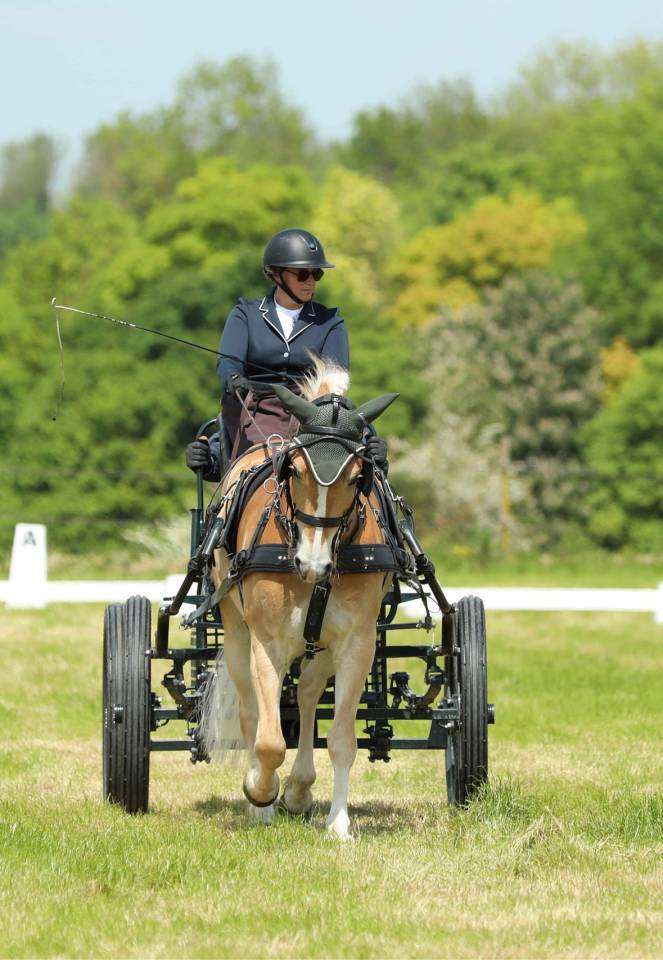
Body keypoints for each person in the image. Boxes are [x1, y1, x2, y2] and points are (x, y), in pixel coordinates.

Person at [186, 227, 387, 480]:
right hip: (256, 409)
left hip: (312, 413)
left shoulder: (331, 322)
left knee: (369, 458)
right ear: (276, 274)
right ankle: (218, 469)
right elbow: (228, 362)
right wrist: (233, 379)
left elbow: (335, 380)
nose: (311, 281)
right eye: (303, 274)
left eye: (317, 274)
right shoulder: (245, 314)